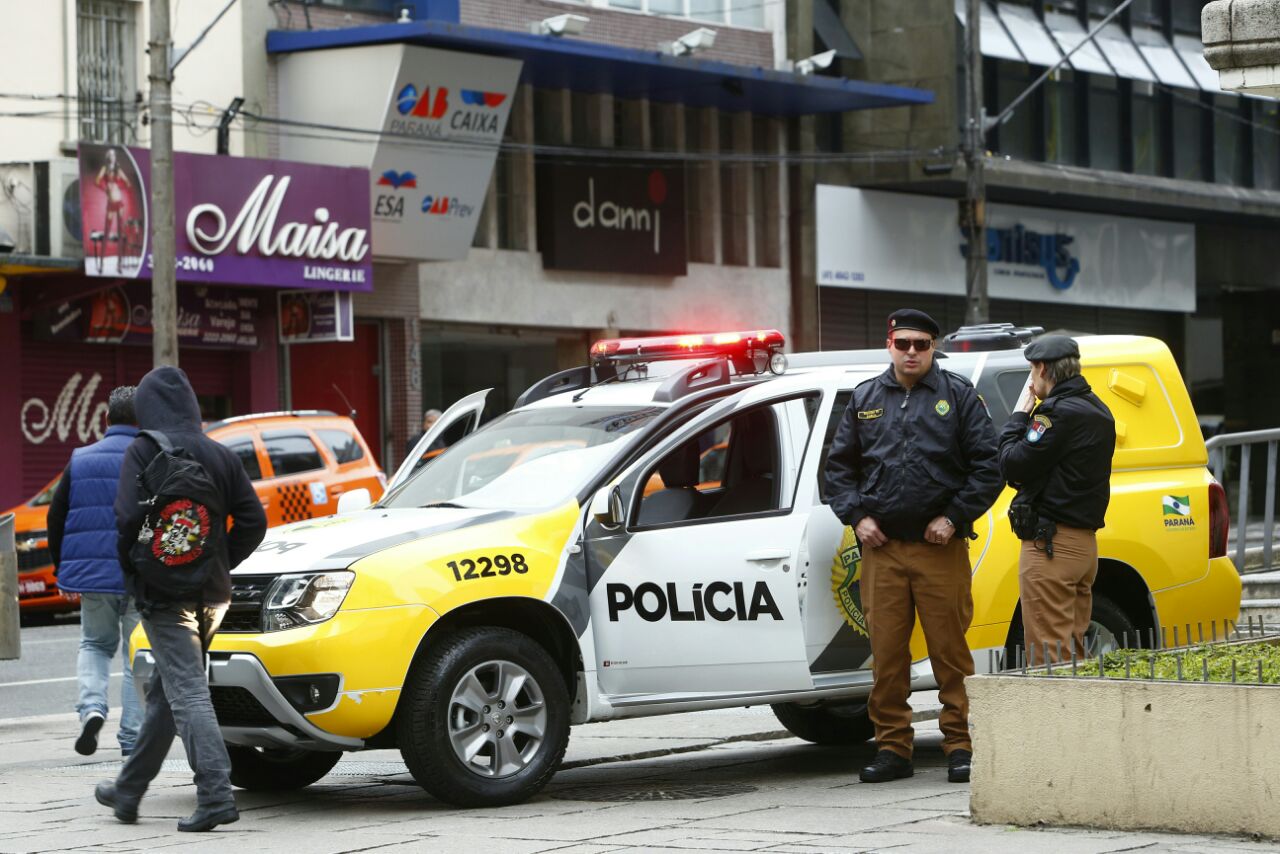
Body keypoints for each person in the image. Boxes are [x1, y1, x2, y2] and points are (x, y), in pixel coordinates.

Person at [825, 309, 1001, 785]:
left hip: (938, 547)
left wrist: (954, 516)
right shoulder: (865, 397)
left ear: (933, 347)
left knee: (950, 654)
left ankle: (960, 746)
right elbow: (838, 469)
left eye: (921, 344)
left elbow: (988, 467)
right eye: (902, 343)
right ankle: (892, 749)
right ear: (889, 345)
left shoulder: (957, 395)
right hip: (883, 551)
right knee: (887, 657)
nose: (911, 352)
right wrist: (857, 517)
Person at [95, 367, 267, 832]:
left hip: (164, 595)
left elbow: (126, 518)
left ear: (148, 408)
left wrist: (139, 570)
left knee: (186, 689)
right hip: (213, 595)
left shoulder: (143, 448)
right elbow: (254, 522)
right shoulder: (220, 453)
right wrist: (217, 561)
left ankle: (214, 794)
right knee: (168, 691)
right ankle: (129, 789)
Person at [998, 335, 1115, 666]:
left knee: (1049, 656)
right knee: (1073, 651)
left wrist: (1019, 416)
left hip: (1051, 548)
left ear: (1041, 368)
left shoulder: (1056, 414)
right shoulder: (1098, 408)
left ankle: (1059, 704)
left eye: (1031, 371)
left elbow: (1012, 464)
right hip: (1083, 547)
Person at [46, 386, 142, 758]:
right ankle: (131, 738)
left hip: (94, 575)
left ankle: (92, 708)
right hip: (140, 575)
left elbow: (56, 516)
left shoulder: (81, 458)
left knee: (94, 645)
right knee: (137, 655)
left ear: (106, 418)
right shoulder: (151, 457)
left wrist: (63, 569)